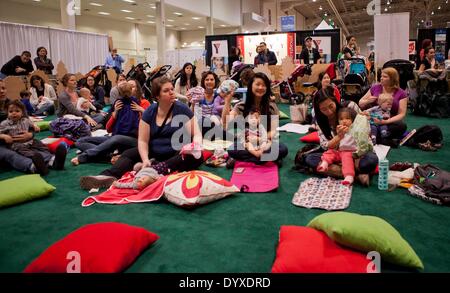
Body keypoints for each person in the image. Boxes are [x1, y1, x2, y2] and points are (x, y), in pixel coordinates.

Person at [79, 76, 204, 190]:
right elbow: (143, 140)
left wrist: (195, 145)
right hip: (154, 150)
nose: (171, 92)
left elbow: (197, 134)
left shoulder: (182, 109)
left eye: (172, 89)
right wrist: (145, 159)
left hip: (175, 153)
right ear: (157, 96)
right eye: (166, 91)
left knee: (194, 157)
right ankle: (107, 176)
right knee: (128, 153)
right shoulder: (150, 111)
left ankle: (155, 169)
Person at [305, 86, 378, 186]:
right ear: (319, 110)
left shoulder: (350, 106)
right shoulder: (320, 121)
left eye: (331, 106)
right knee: (310, 159)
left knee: (370, 160)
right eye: (323, 109)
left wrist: (365, 122)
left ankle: (341, 171)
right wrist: (339, 137)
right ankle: (355, 175)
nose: (329, 112)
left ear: (335, 100)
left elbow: (366, 134)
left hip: (357, 153)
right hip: (338, 154)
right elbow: (325, 146)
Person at [222, 72, 288, 166]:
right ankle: (268, 159)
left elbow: (273, 132)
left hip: (264, 142)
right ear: (251, 86)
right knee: (232, 149)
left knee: (283, 149)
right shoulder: (241, 106)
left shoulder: (272, 107)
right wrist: (227, 101)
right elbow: (226, 124)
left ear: (267, 88)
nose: (260, 87)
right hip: (247, 144)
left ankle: (248, 159)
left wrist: (259, 139)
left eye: (264, 85)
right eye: (257, 84)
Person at [71, 82, 140, 165]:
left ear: (137, 89)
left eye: (132, 86)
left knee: (116, 138)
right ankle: (108, 157)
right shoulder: (118, 103)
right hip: (115, 136)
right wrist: (115, 114)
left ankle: (86, 156)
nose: (127, 90)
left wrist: (142, 111)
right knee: (80, 141)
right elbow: (108, 128)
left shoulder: (142, 103)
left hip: (131, 138)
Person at [0, 100, 66, 175]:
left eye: (17, 111)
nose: (14, 113)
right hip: (16, 144)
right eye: (11, 112)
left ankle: (53, 160)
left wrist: (33, 130)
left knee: (40, 145)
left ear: (22, 112)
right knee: (25, 152)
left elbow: (33, 126)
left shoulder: (25, 120)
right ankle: (37, 165)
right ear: (7, 113)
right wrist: (4, 136)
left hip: (29, 141)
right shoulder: (5, 123)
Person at [359, 67, 408, 146]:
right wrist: (368, 101)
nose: (381, 78)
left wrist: (385, 122)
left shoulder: (401, 93)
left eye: (385, 77)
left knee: (401, 126)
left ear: (392, 79)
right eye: (381, 76)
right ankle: (383, 140)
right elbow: (360, 103)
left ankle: (375, 138)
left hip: (388, 120)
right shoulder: (375, 88)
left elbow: (401, 114)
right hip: (372, 119)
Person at [317, 107, 359, 185]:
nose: (344, 121)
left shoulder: (356, 129)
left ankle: (349, 176)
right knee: (330, 152)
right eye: (341, 119)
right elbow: (332, 145)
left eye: (347, 118)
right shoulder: (338, 129)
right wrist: (339, 135)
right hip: (339, 151)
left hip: (349, 152)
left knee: (347, 159)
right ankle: (325, 163)